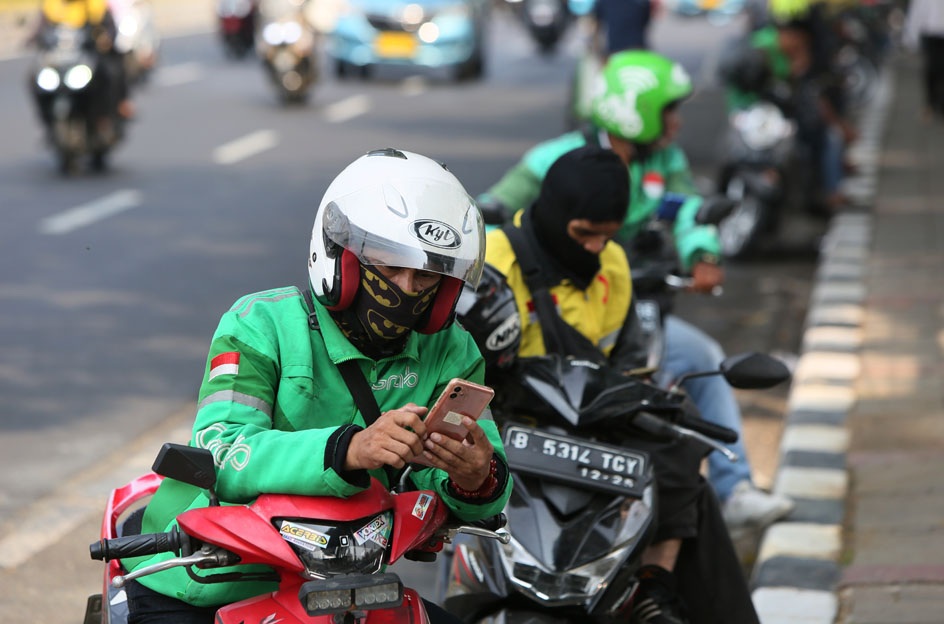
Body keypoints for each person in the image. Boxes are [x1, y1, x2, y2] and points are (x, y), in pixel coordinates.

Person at [123, 148, 514, 624]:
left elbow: (462, 482)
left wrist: (475, 478)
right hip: (207, 577)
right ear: (341, 259)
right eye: (390, 266)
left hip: (344, 586)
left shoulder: (451, 351)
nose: (407, 287)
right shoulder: (259, 325)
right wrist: (350, 449)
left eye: (426, 275)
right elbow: (223, 450)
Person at [481, 49, 794, 530]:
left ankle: (733, 489)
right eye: (669, 111)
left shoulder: (664, 162)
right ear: (638, 109)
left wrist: (703, 255)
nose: (677, 122)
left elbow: (688, 210)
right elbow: (489, 210)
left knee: (699, 364)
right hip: (551, 307)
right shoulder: (555, 161)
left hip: (629, 298)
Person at [484, 144, 760, 624]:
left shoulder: (613, 264)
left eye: (606, 236)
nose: (594, 247)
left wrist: (650, 403)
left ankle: (654, 586)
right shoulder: (491, 261)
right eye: (584, 234)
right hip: (510, 427)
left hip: (587, 422)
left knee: (681, 444)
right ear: (553, 213)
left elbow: (628, 363)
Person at [34, 0, 134, 120]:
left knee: (112, 71)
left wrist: (105, 39)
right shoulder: (52, 5)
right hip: (59, 56)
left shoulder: (94, 4)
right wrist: (33, 38)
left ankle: (112, 111)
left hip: (88, 53)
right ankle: (46, 116)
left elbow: (109, 27)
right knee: (35, 77)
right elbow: (40, 29)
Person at [904, 0, 944, 121]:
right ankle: (930, 104)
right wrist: (911, 39)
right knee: (932, 70)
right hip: (931, 33)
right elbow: (917, 12)